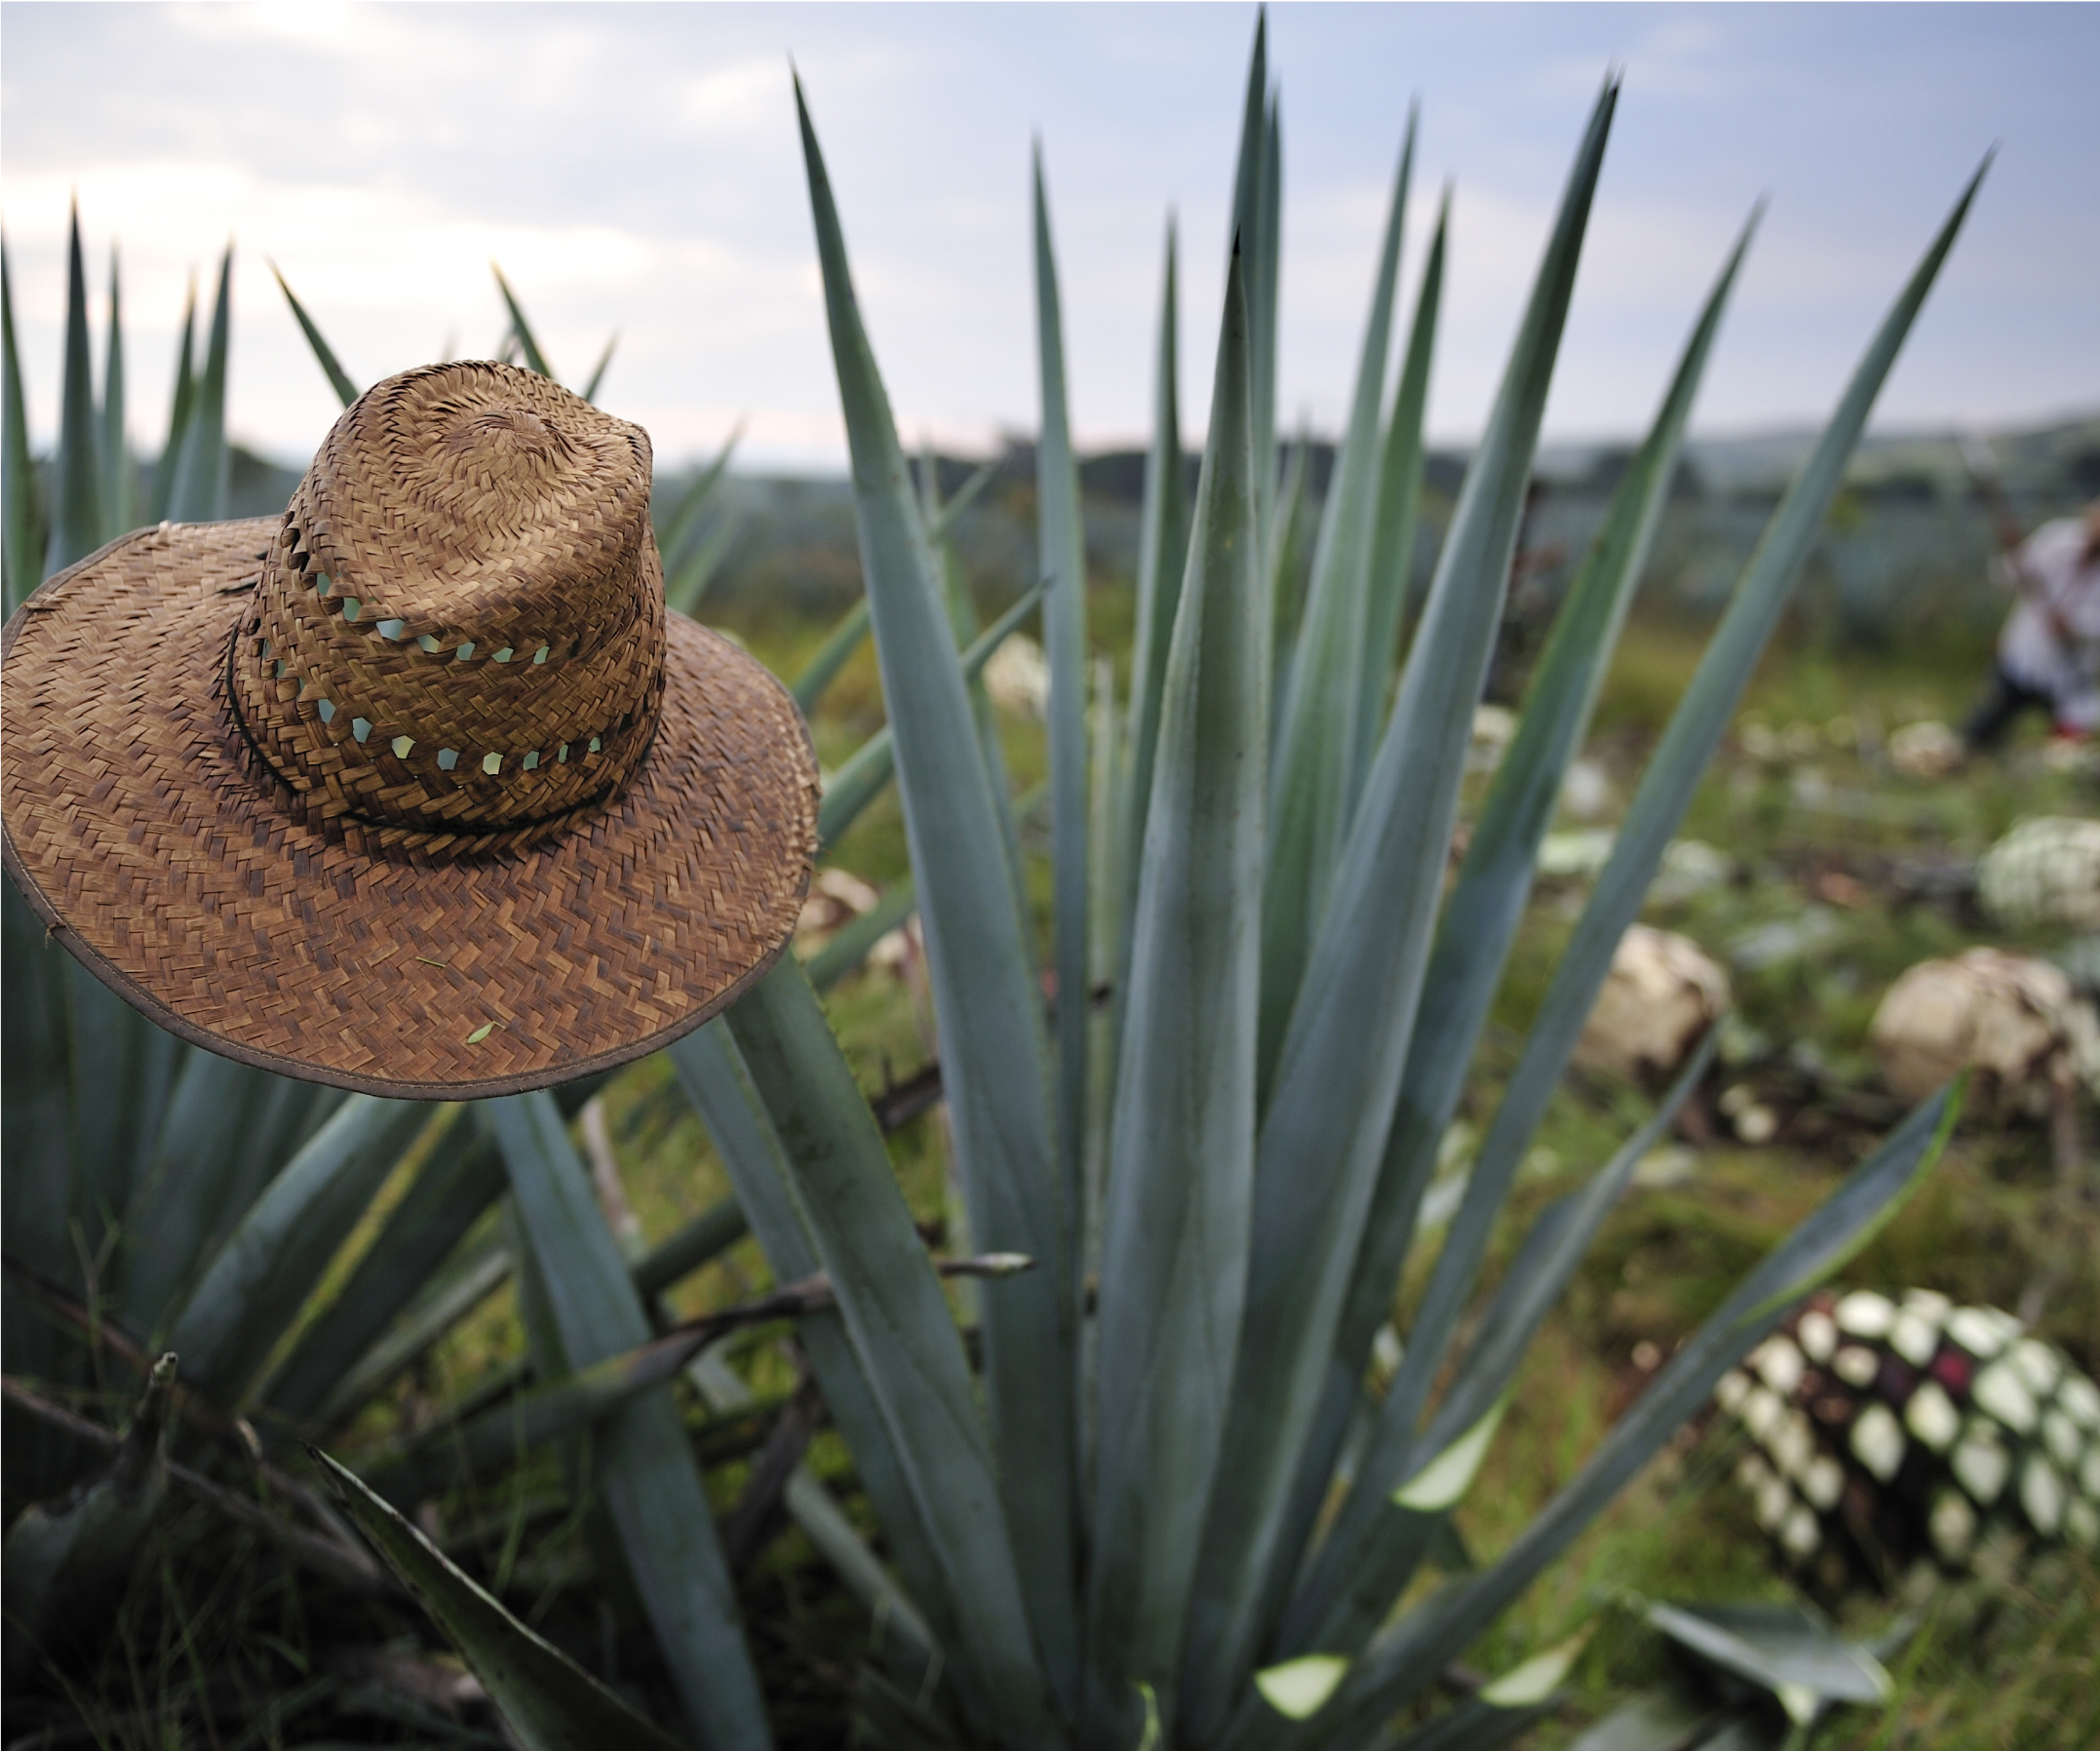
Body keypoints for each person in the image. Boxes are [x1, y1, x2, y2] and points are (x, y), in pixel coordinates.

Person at [1963, 498, 2100, 753]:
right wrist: (2015, 554)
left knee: (2070, 746)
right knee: (1981, 731)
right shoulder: (2059, 540)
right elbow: (2007, 575)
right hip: (2023, 659)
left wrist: (2075, 625)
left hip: (2069, 673)